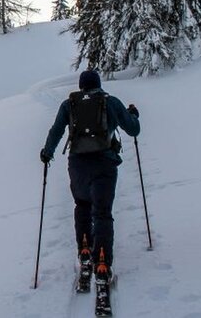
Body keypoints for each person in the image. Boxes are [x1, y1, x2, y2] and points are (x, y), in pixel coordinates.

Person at [40, 69, 139, 285]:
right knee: (102, 213)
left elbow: (56, 131)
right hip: (104, 164)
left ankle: (85, 251)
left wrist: (47, 152)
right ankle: (102, 264)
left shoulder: (69, 104)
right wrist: (133, 115)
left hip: (78, 166)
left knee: (82, 205)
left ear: (81, 86)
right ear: (98, 84)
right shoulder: (110, 102)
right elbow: (133, 130)